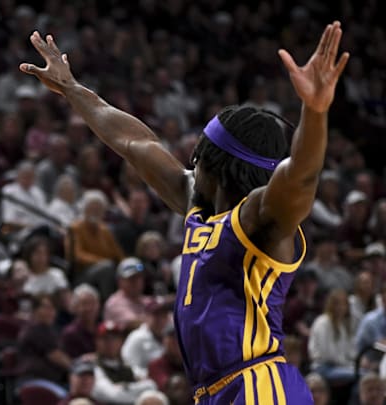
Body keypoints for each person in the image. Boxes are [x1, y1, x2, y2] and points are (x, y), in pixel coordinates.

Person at [21, 21, 349, 404]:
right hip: (214, 391)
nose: (190, 163)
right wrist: (71, 88)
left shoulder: (262, 222)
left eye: (199, 155)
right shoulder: (198, 204)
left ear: (214, 162)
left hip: (260, 386)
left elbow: (300, 178)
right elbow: (134, 140)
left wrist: (315, 112)